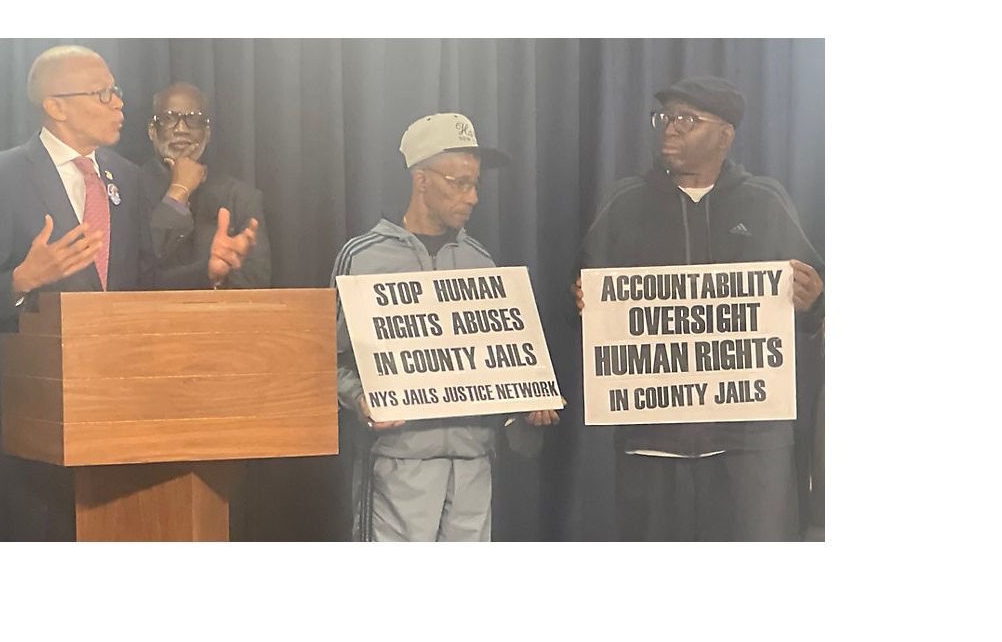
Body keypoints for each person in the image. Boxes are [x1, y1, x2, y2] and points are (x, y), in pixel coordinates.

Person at [574, 75, 825, 541]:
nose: (671, 128)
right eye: (665, 118)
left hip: (749, 448)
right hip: (652, 444)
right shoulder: (625, 202)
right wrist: (581, 303)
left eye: (687, 120)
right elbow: (584, 301)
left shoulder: (765, 201)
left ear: (725, 135)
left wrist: (814, 303)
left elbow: (819, 302)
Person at [331, 112, 559, 542]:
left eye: (476, 184)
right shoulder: (363, 258)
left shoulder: (481, 262)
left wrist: (526, 402)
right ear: (421, 180)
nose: (473, 197)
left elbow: (498, 364)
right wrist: (361, 399)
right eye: (460, 183)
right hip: (400, 464)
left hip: (474, 466)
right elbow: (327, 360)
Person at [0, 46, 258, 330]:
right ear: (56, 107)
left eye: (115, 91)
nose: (118, 103)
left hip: (117, 364)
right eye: (102, 93)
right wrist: (21, 280)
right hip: (43, 370)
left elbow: (143, 283)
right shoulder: (2, 178)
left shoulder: (126, 177)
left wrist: (205, 271)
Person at [141, 82, 271, 288]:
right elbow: (136, 271)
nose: (181, 129)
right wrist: (179, 192)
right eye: (169, 119)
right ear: (151, 131)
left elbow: (256, 280)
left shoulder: (240, 197)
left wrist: (219, 274)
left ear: (207, 132)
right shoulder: (128, 187)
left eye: (193, 119)